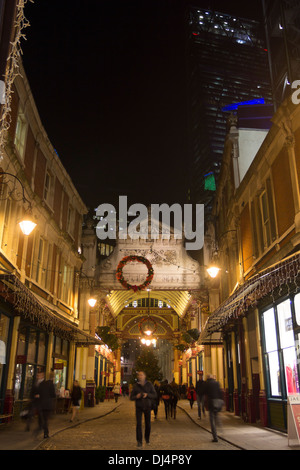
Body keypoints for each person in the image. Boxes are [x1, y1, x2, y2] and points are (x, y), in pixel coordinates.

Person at [130, 371, 157, 448]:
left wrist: (147, 395)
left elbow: (155, 395)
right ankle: (139, 441)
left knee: (148, 424)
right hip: (139, 407)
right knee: (138, 424)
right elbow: (131, 397)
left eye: (141, 375)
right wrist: (136, 397)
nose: (140, 376)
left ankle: (147, 438)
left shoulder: (149, 385)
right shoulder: (136, 386)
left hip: (147, 406)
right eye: (139, 375)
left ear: (145, 376)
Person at [35, 371, 56, 439]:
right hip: (47, 404)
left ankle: (41, 428)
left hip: (41, 404)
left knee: (43, 418)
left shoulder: (42, 384)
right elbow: (53, 395)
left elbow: (37, 394)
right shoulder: (50, 384)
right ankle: (45, 433)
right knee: (45, 419)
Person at [204, 374, 224, 442]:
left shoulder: (207, 384)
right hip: (218, 401)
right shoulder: (217, 383)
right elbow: (220, 392)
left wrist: (205, 404)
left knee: (212, 420)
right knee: (217, 417)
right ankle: (221, 431)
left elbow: (205, 394)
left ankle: (215, 437)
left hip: (211, 403)